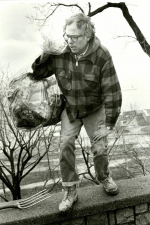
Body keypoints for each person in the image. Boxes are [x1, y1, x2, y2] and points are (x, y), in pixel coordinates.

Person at [30, 13, 122, 212]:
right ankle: (71, 191)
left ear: (87, 36)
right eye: (67, 36)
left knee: (99, 147)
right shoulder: (61, 52)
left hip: (94, 109)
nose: (69, 41)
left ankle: (104, 177)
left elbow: (112, 91)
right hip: (71, 108)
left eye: (74, 37)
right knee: (65, 144)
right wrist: (45, 55)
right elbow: (38, 74)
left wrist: (109, 125)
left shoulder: (102, 55)